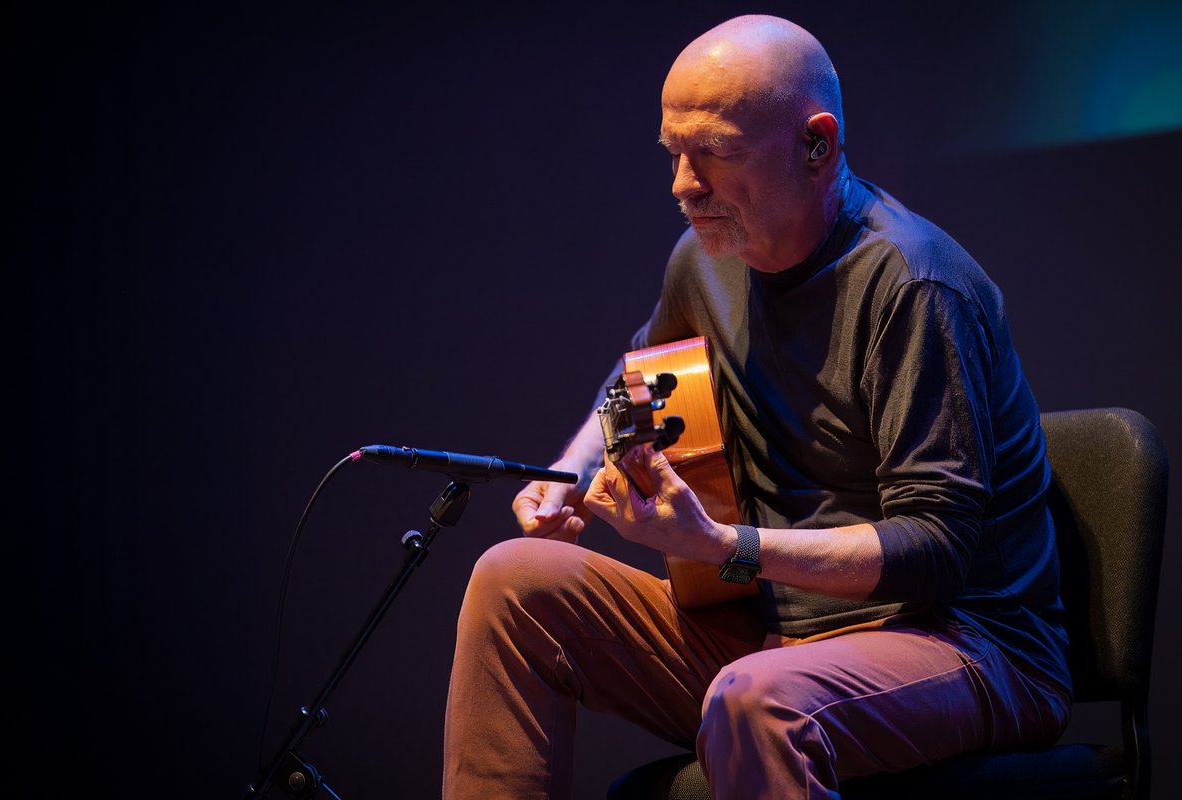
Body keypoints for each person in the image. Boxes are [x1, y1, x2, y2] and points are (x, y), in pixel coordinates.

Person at [442, 14, 1071, 800]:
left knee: (759, 702)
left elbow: (935, 549)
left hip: (963, 646)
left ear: (817, 146)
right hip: (777, 640)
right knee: (515, 582)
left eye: (717, 152)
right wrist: (570, 471)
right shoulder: (709, 259)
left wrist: (721, 543)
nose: (682, 183)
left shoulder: (915, 284)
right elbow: (636, 379)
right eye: (673, 153)